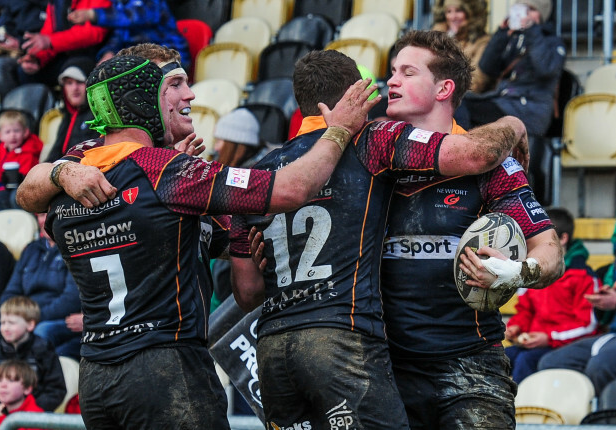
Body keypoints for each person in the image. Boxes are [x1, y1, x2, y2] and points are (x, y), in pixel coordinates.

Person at [41, 46, 380, 429]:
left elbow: (150, 226)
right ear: (143, 102)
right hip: (165, 367)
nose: (188, 96)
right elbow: (291, 188)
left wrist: (233, 236)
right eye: (168, 88)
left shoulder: (68, 185)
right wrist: (339, 130)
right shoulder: (167, 171)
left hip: (97, 377)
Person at [228, 47, 531, 429]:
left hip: (272, 349)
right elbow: (476, 153)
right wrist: (515, 124)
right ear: (354, 95)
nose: (383, 90)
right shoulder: (371, 140)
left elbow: (248, 292)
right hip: (339, 341)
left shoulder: (258, 174)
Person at [363, 29, 562, 430]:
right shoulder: (371, 156)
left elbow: (551, 252)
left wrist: (517, 271)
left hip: (472, 367)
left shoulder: (493, 166)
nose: (392, 81)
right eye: (392, 71)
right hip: (386, 365)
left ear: (444, 88)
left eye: (407, 72)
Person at [538, 186, 616, 395]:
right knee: (550, 363)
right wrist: (602, 304)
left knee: (601, 365)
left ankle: (601, 420)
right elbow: (604, 319)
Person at [504, 207, 599, 383]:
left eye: (544, 240)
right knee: (499, 358)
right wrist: (516, 327)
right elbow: (525, 311)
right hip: (534, 343)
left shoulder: (583, 276)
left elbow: (587, 326)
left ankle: (521, 409)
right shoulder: (532, 271)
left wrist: (550, 338)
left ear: (563, 239)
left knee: (525, 361)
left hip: (565, 345)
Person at [454, 0, 566, 137]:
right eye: (522, 9)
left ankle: (460, 146)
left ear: (542, 14)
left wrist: (532, 31)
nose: (525, 14)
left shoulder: (553, 42)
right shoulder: (516, 39)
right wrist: (501, 33)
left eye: (531, 9)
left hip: (529, 111)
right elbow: (488, 68)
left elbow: (545, 70)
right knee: (454, 99)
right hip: (503, 102)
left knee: (461, 106)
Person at [0, 213, 82, 360]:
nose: (43, 220)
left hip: (58, 319)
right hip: (25, 317)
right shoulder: (30, 250)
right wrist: (11, 316)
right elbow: (11, 291)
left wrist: (29, 319)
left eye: (48, 214)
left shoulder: (74, 247)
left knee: (41, 331)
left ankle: (31, 379)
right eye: (40, 215)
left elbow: (70, 300)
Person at [67, 0, 190, 70]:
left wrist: (92, 15)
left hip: (171, 58)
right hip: (141, 61)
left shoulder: (152, 2)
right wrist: (108, 53)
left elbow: (133, 17)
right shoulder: (120, 4)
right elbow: (119, 33)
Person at [16, 0, 110, 90]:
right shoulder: (56, 2)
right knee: (26, 72)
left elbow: (95, 33)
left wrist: (51, 41)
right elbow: (48, 32)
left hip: (91, 54)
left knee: (72, 75)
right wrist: (37, 58)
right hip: (63, 54)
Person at [0, 296, 66, 412]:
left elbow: (56, 390)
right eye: (3, 322)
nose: (5, 327)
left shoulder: (43, 349)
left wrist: (28, 410)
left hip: (33, 414)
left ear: (30, 325)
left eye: (11, 323)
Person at [44, 57, 99, 163]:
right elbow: (54, 155)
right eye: (69, 83)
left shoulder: (98, 116)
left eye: (79, 82)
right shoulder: (67, 116)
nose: (74, 88)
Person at [432, 0, 494, 93]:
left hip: (462, 99)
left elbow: (475, 83)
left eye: (458, 11)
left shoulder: (483, 42)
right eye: (449, 11)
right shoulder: (438, 38)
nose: (453, 17)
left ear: (471, 13)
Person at [0, 0, 47, 99]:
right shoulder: (13, 3)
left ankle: (13, 110)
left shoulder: (50, 4)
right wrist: (6, 38)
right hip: (13, 49)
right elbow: (6, 23)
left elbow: (49, 33)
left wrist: (19, 43)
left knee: (2, 66)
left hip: (43, 52)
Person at [0, 110, 43, 209]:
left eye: (16, 131)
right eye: (8, 132)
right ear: (0, 136)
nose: (12, 135)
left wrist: (21, 177)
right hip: (5, 187)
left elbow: (30, 173)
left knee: (15, 197)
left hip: (25, 186)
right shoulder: (1, 150)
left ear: (25, 132)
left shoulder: (29, 150)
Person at [0, 359, 44, 426]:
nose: (3, 385)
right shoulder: (2, 413)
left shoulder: (35, 418)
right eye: (0, 380)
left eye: (11, 380)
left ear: (27, 389)